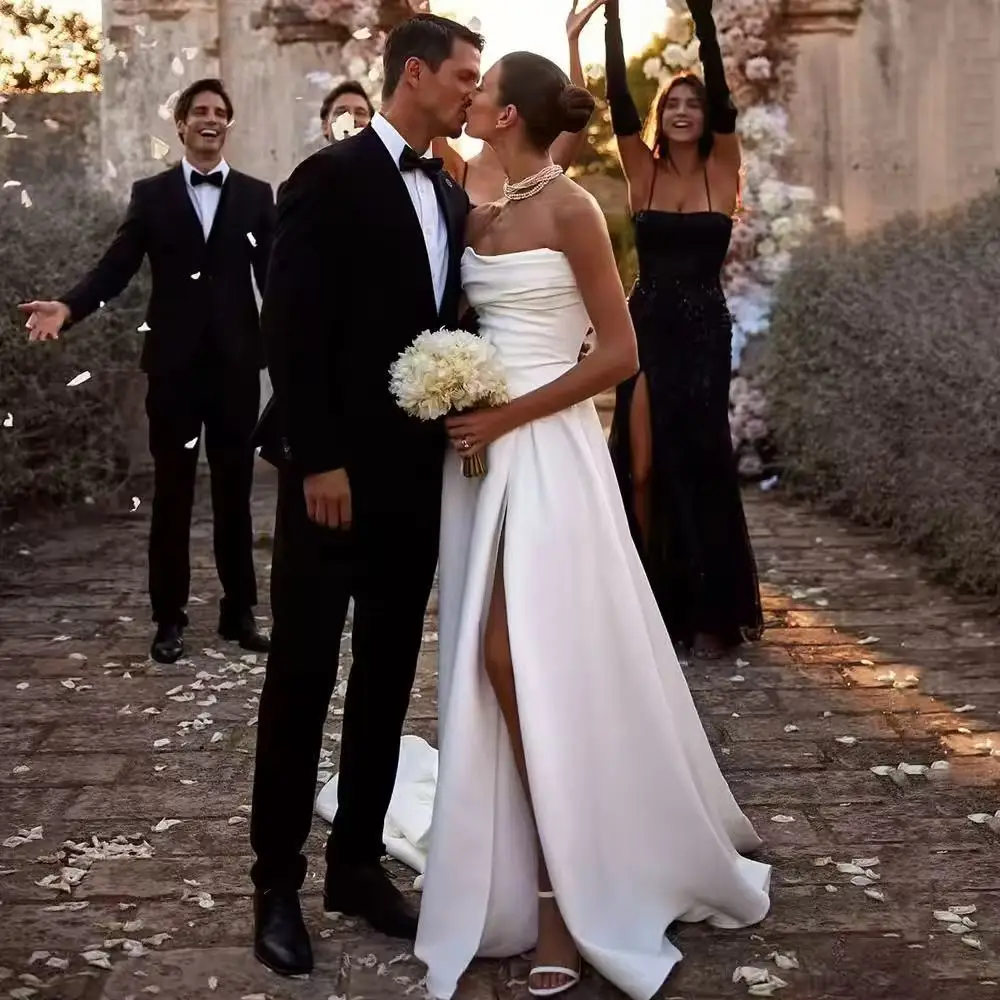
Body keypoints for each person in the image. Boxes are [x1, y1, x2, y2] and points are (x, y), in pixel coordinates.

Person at [413, 49, 770, 1000]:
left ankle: (568, 898)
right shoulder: (474, 198)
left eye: (483, 92)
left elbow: (619, 353)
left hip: (547, 450)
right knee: (497, 664)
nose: (470, 98)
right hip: (480, 461)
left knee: (516, 656)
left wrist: (506, 415)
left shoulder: (570, 208)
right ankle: (527, 856)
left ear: (511, 114)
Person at [248, 13, 484, 978]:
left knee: (388, 678)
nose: (474, 90)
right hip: (332, 483)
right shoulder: (328, 177)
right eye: (464, 75)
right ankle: (276, 884)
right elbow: (291, 331)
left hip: (415, 483)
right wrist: (317, 460)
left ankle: (355, 868)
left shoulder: (458, 194)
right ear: (415, 74)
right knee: (302, 674)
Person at [18, 78, 274, 665]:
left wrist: (307, 339)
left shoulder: (258, 196)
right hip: (174, 369)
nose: (210, 119)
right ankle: (170, 620)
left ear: (227, 126)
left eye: (220, 113)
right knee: (173, 496)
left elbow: (277, 279)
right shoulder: (151, 195)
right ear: (181, 125)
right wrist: (68, 305)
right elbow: (116, 267)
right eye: (199, 112)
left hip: (237, 366)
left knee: (236, 495)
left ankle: (240, 614)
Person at [603, 0, 764, 659]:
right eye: (674, 103)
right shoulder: (642, 169)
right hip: (646, 329)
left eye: (693, 105)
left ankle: (710, 610)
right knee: (639, 468)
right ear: (661, 115)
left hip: (702, 332)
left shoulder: (721, 170)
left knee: (699, 462)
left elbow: (724, 96)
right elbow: (614, 100)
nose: (684, 111)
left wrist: (702, 17)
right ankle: (644, 599)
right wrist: (612, 19)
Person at [430, 0, 604, 207]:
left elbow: (573, 113)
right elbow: (430, 106)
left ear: (507, 113)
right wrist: (423, 28)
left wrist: (573, 41)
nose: (470, 94)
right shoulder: (458, 170)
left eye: (481, 87)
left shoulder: (540, 175)